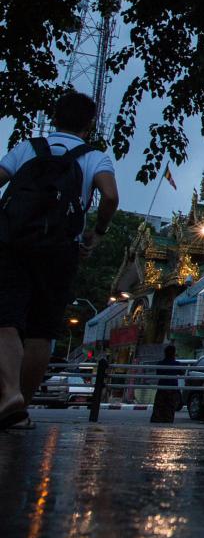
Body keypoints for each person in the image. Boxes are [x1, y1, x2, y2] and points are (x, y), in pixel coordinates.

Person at [0, 90, 118, 430]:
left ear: (54, 118)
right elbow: (110, 196)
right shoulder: (94, 157)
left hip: (14, 244)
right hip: (62, 248)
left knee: (6, 321)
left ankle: (9, 393)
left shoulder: (28, 148)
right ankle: (20, 408)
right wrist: (98, 232)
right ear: (90, 124)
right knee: (42, 330)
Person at [150, 343, 181, 423]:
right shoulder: (177, 364)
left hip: (162, 387)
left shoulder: (160, 363)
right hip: (172, 387)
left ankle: (157, 419)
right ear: (174, 353)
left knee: (159, 405)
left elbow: (158, 373)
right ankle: (168, 420)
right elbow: (181, 372)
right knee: (170, 406)